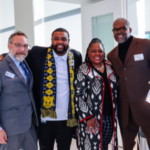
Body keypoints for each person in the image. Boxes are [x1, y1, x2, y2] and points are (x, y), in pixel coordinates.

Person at [25, 28, 82, 150]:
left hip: (67, 117)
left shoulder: (76, 56)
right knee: (45, 147)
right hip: (45, 117)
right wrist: (3, 56)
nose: (60, 42)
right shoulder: (38, 53)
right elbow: (20, 53)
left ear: (68, 41)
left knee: (64, 147)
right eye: (56, 39)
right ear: (51, 40)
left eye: (63, 39)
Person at [107, 18, 150, 150]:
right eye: (116, 29)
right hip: (125, 109)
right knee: (129, 146)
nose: (119, 32)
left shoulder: (146, 45)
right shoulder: (111, 55)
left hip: (146, 106)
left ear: (129, 30)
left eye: (123, 28)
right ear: (113, 32)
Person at [74, 38, 118, 150]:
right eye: (94, 51)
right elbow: (78, 96)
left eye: (100, 51)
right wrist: (88, 117)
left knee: (104, 145)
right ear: (88, 52)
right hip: (92, 119)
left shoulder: (110, 67)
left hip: (109, 117)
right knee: (91, 146)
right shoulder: (83, 70)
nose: (97, 53)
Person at [0, 31, 38, 150]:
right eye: (18, 45)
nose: (22, 49)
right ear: (8, 46)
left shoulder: (25, 63)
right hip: (9, 128)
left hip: (28, 125)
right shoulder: (1, 67)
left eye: (25, 46)